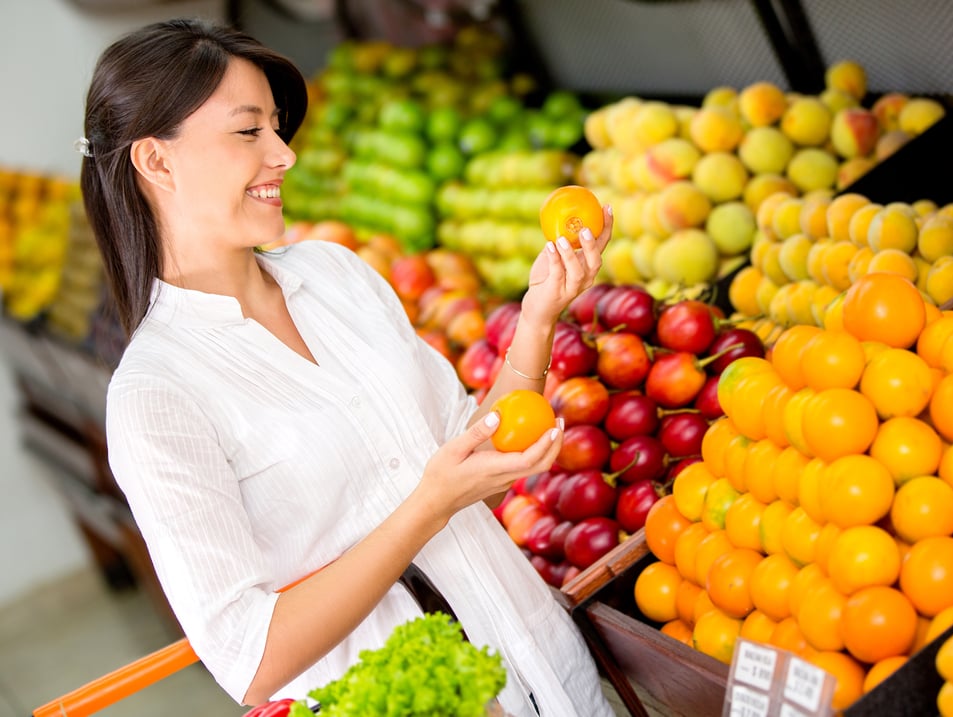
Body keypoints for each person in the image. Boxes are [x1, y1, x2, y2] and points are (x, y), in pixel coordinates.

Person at [79, 18, 616, 716]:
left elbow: (473, 455)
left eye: (277, 127)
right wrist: (425, 507)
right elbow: (252, 658)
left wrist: (540, 313)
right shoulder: (157, 394)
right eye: (249, 132)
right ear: (156, 162)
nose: (283, 154)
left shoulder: (334, 273)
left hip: (543, 666)